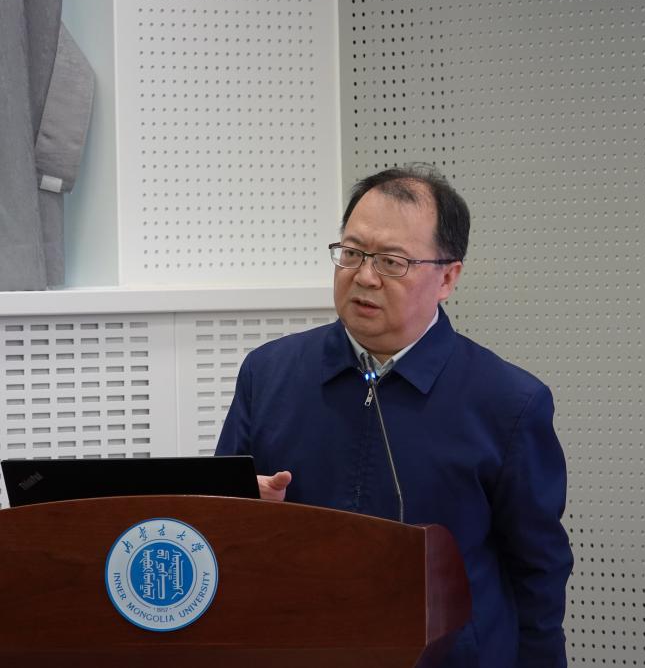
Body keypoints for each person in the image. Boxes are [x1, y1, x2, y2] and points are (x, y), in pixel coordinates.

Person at [215, 164, 573, 667]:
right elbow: (216, 524)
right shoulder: (268, 373)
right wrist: (243, 511)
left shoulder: (509, 402)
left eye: (391, 261)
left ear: (448, 277)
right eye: (352, 253)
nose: (364, 276)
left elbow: (538, 574)